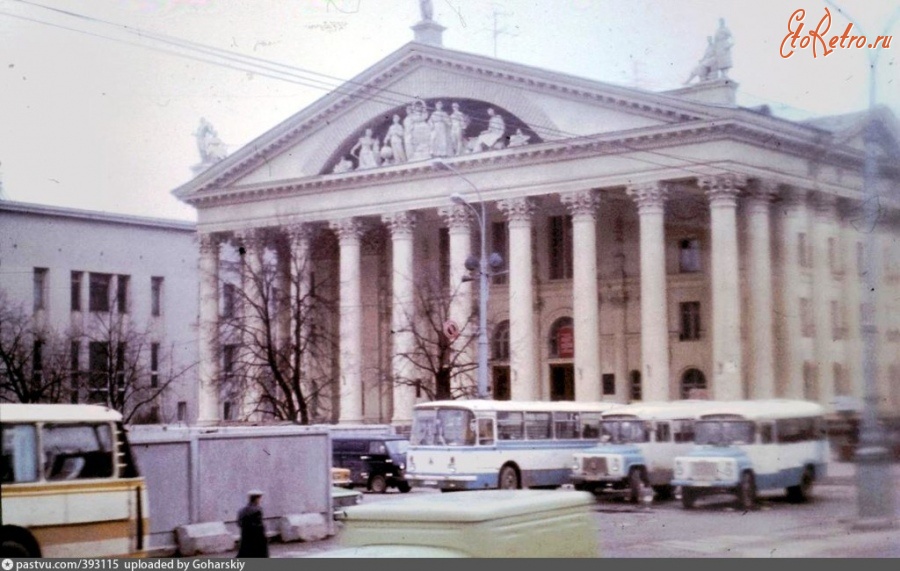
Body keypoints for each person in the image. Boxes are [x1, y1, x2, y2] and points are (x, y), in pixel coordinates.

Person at [236, 490, 269, 558]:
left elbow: (239, 523)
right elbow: (259, 525)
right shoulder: (257, 510)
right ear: (257, 499)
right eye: (259, 498)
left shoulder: (242, 510)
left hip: (245, 537)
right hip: (257, 538)